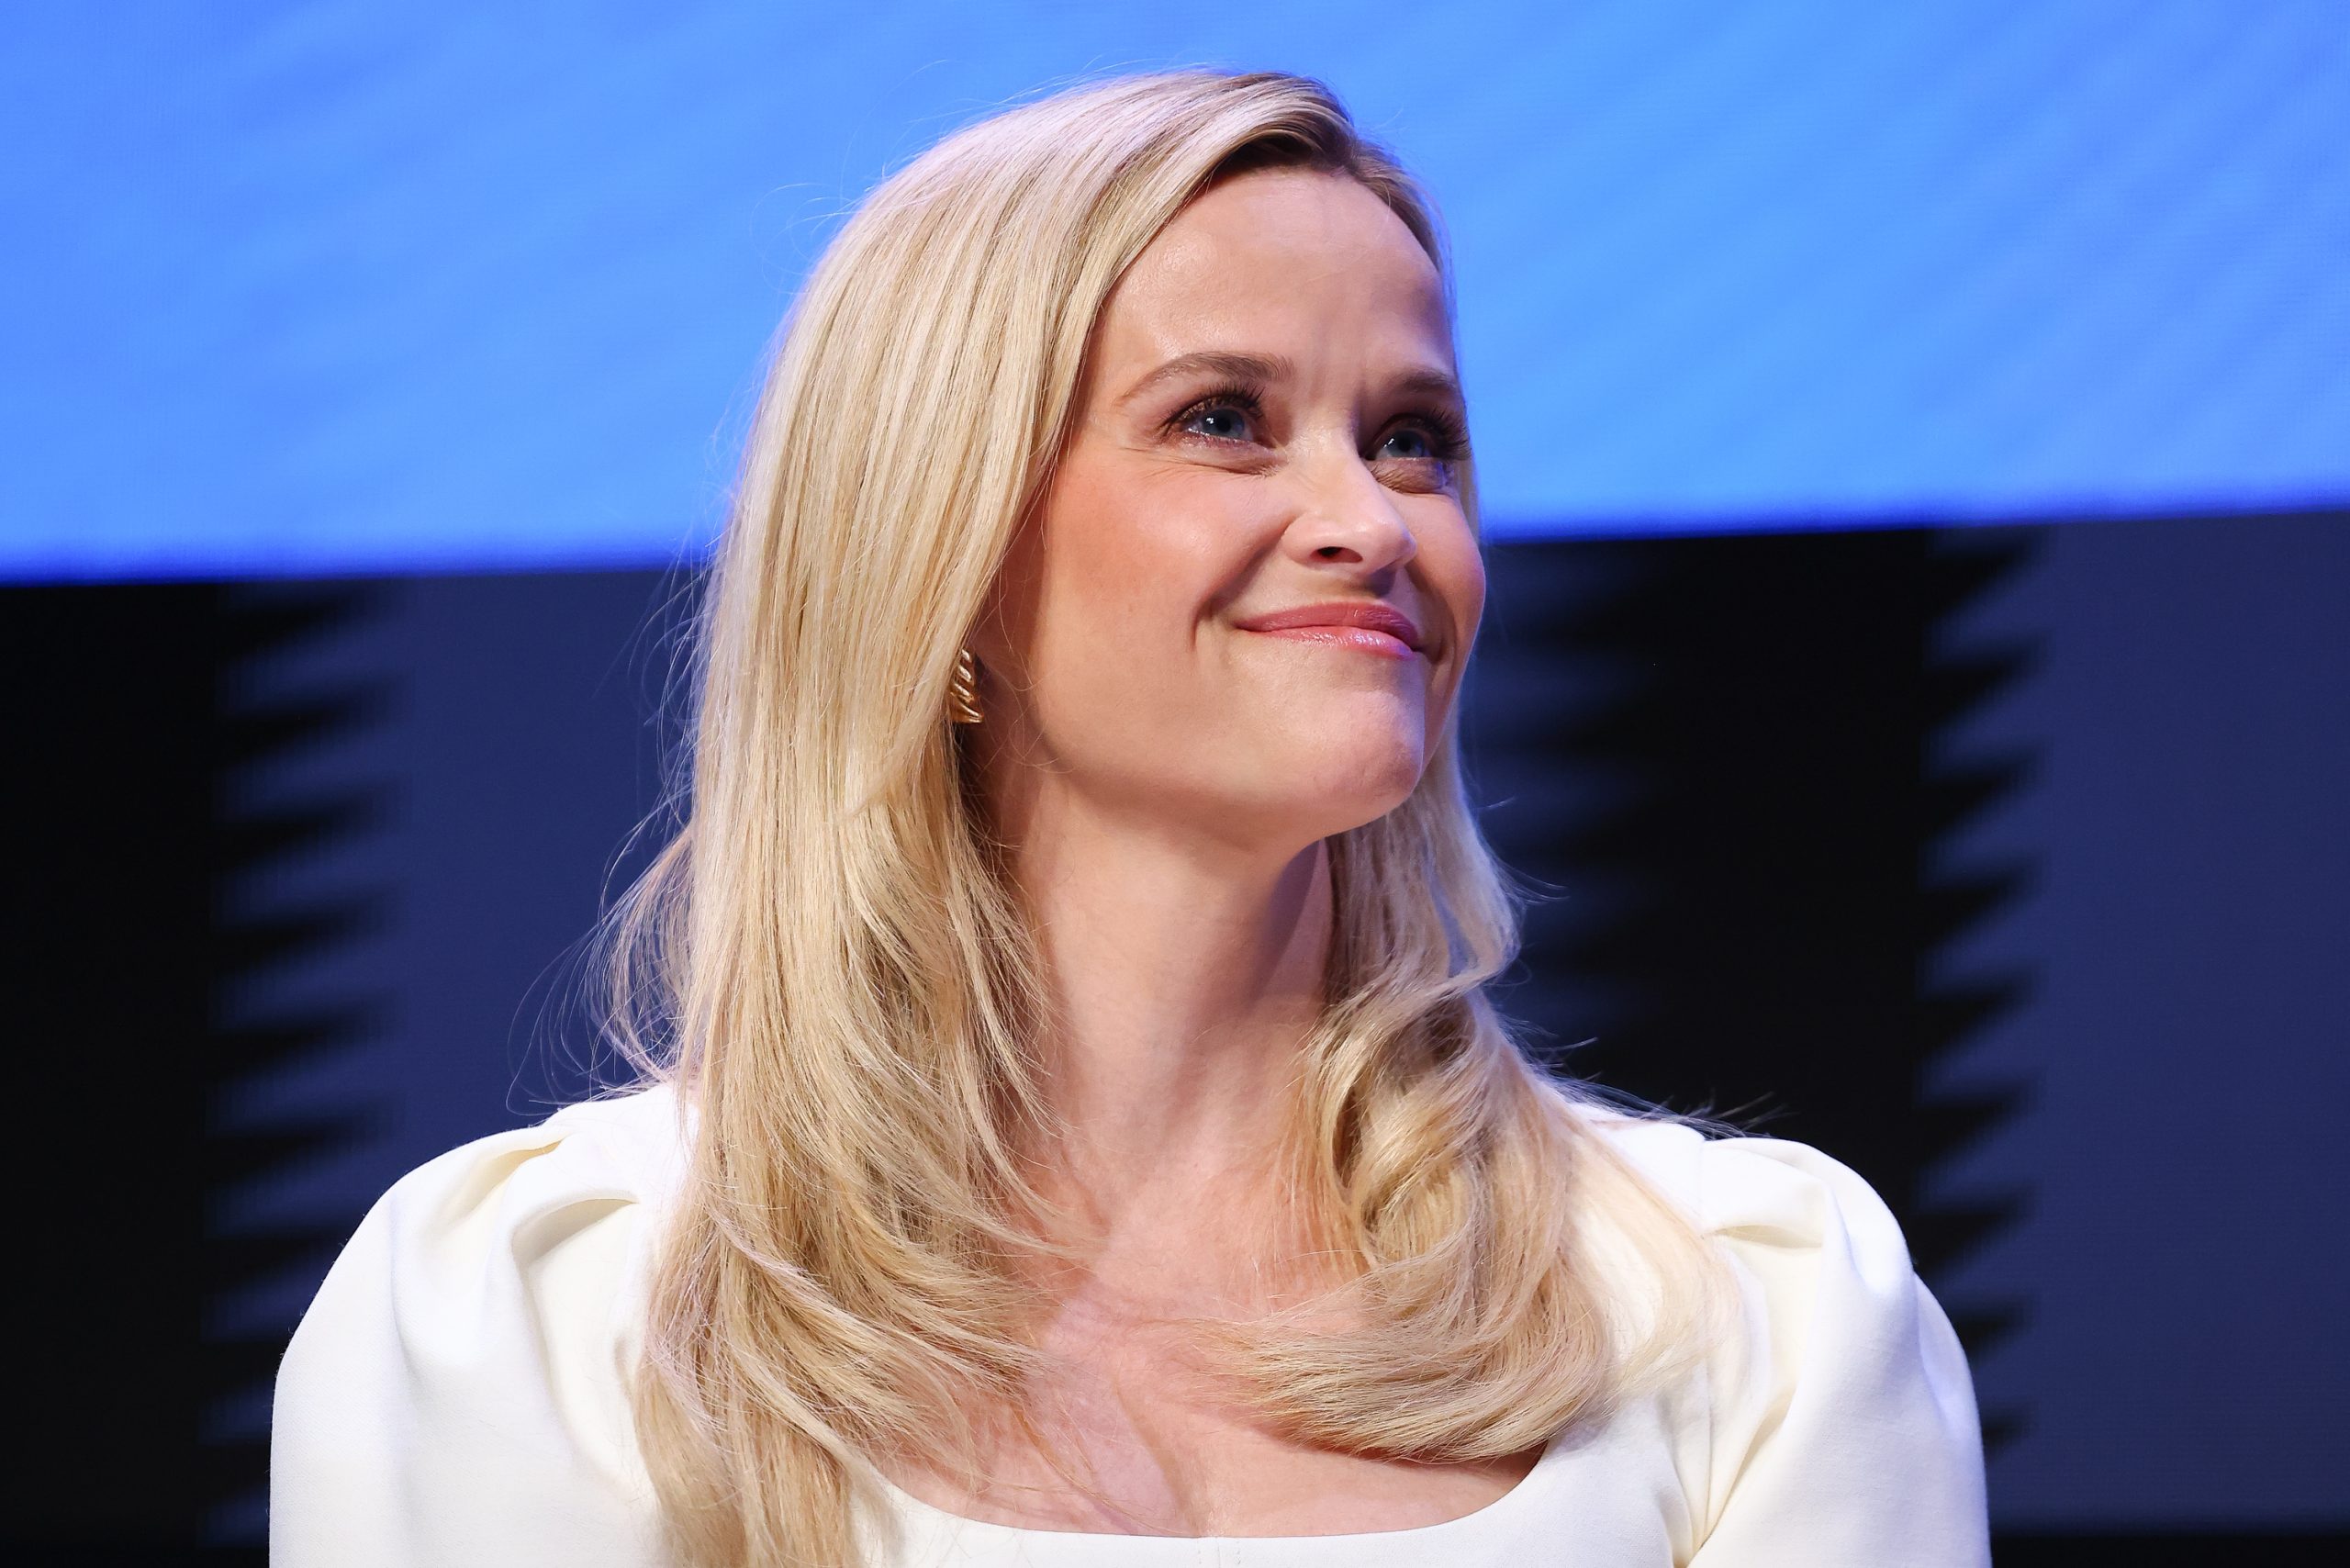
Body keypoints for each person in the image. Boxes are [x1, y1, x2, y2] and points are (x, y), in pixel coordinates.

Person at [270, 69, 1990, 1567]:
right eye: (1223, 422)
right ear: (939, 561)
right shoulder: (542, 1316)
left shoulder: (1751, 1315)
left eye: (1413, 439)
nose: (1371, 521)